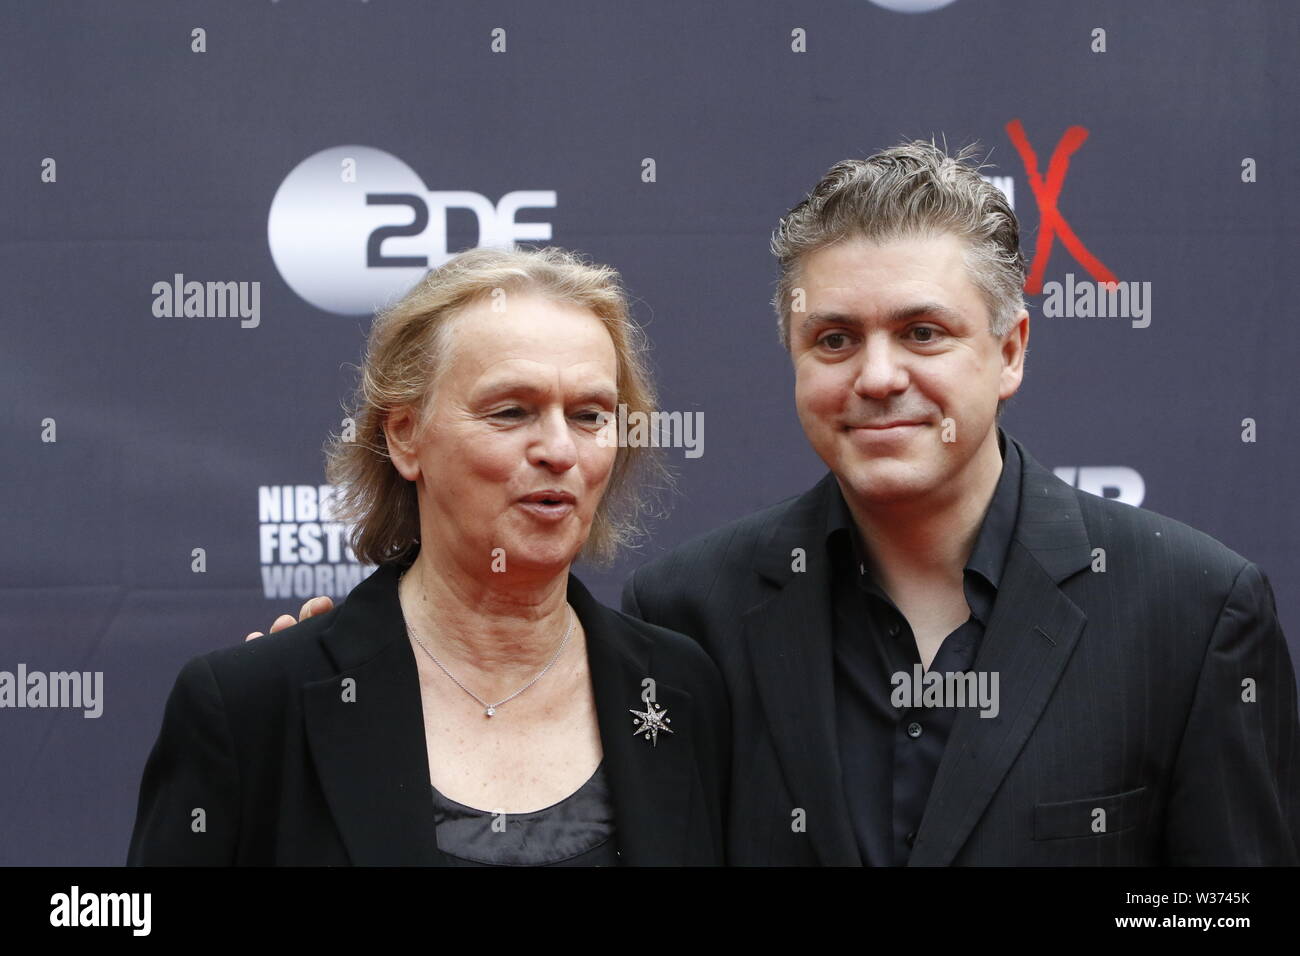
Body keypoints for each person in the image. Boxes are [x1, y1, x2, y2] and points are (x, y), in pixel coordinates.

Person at [261, 141, 1300, 866]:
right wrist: (368, 673)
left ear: (1010, 350)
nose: (878, 375)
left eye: (924, 332)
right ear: (794, 357)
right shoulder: (688, 617)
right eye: (835, 338)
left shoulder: (1189, 610)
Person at [129, 246, 729, 866]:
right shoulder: (256, 706)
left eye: (588, 415)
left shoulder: (681, 690)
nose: (558, 449)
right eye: (511, 412)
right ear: (405, 435)